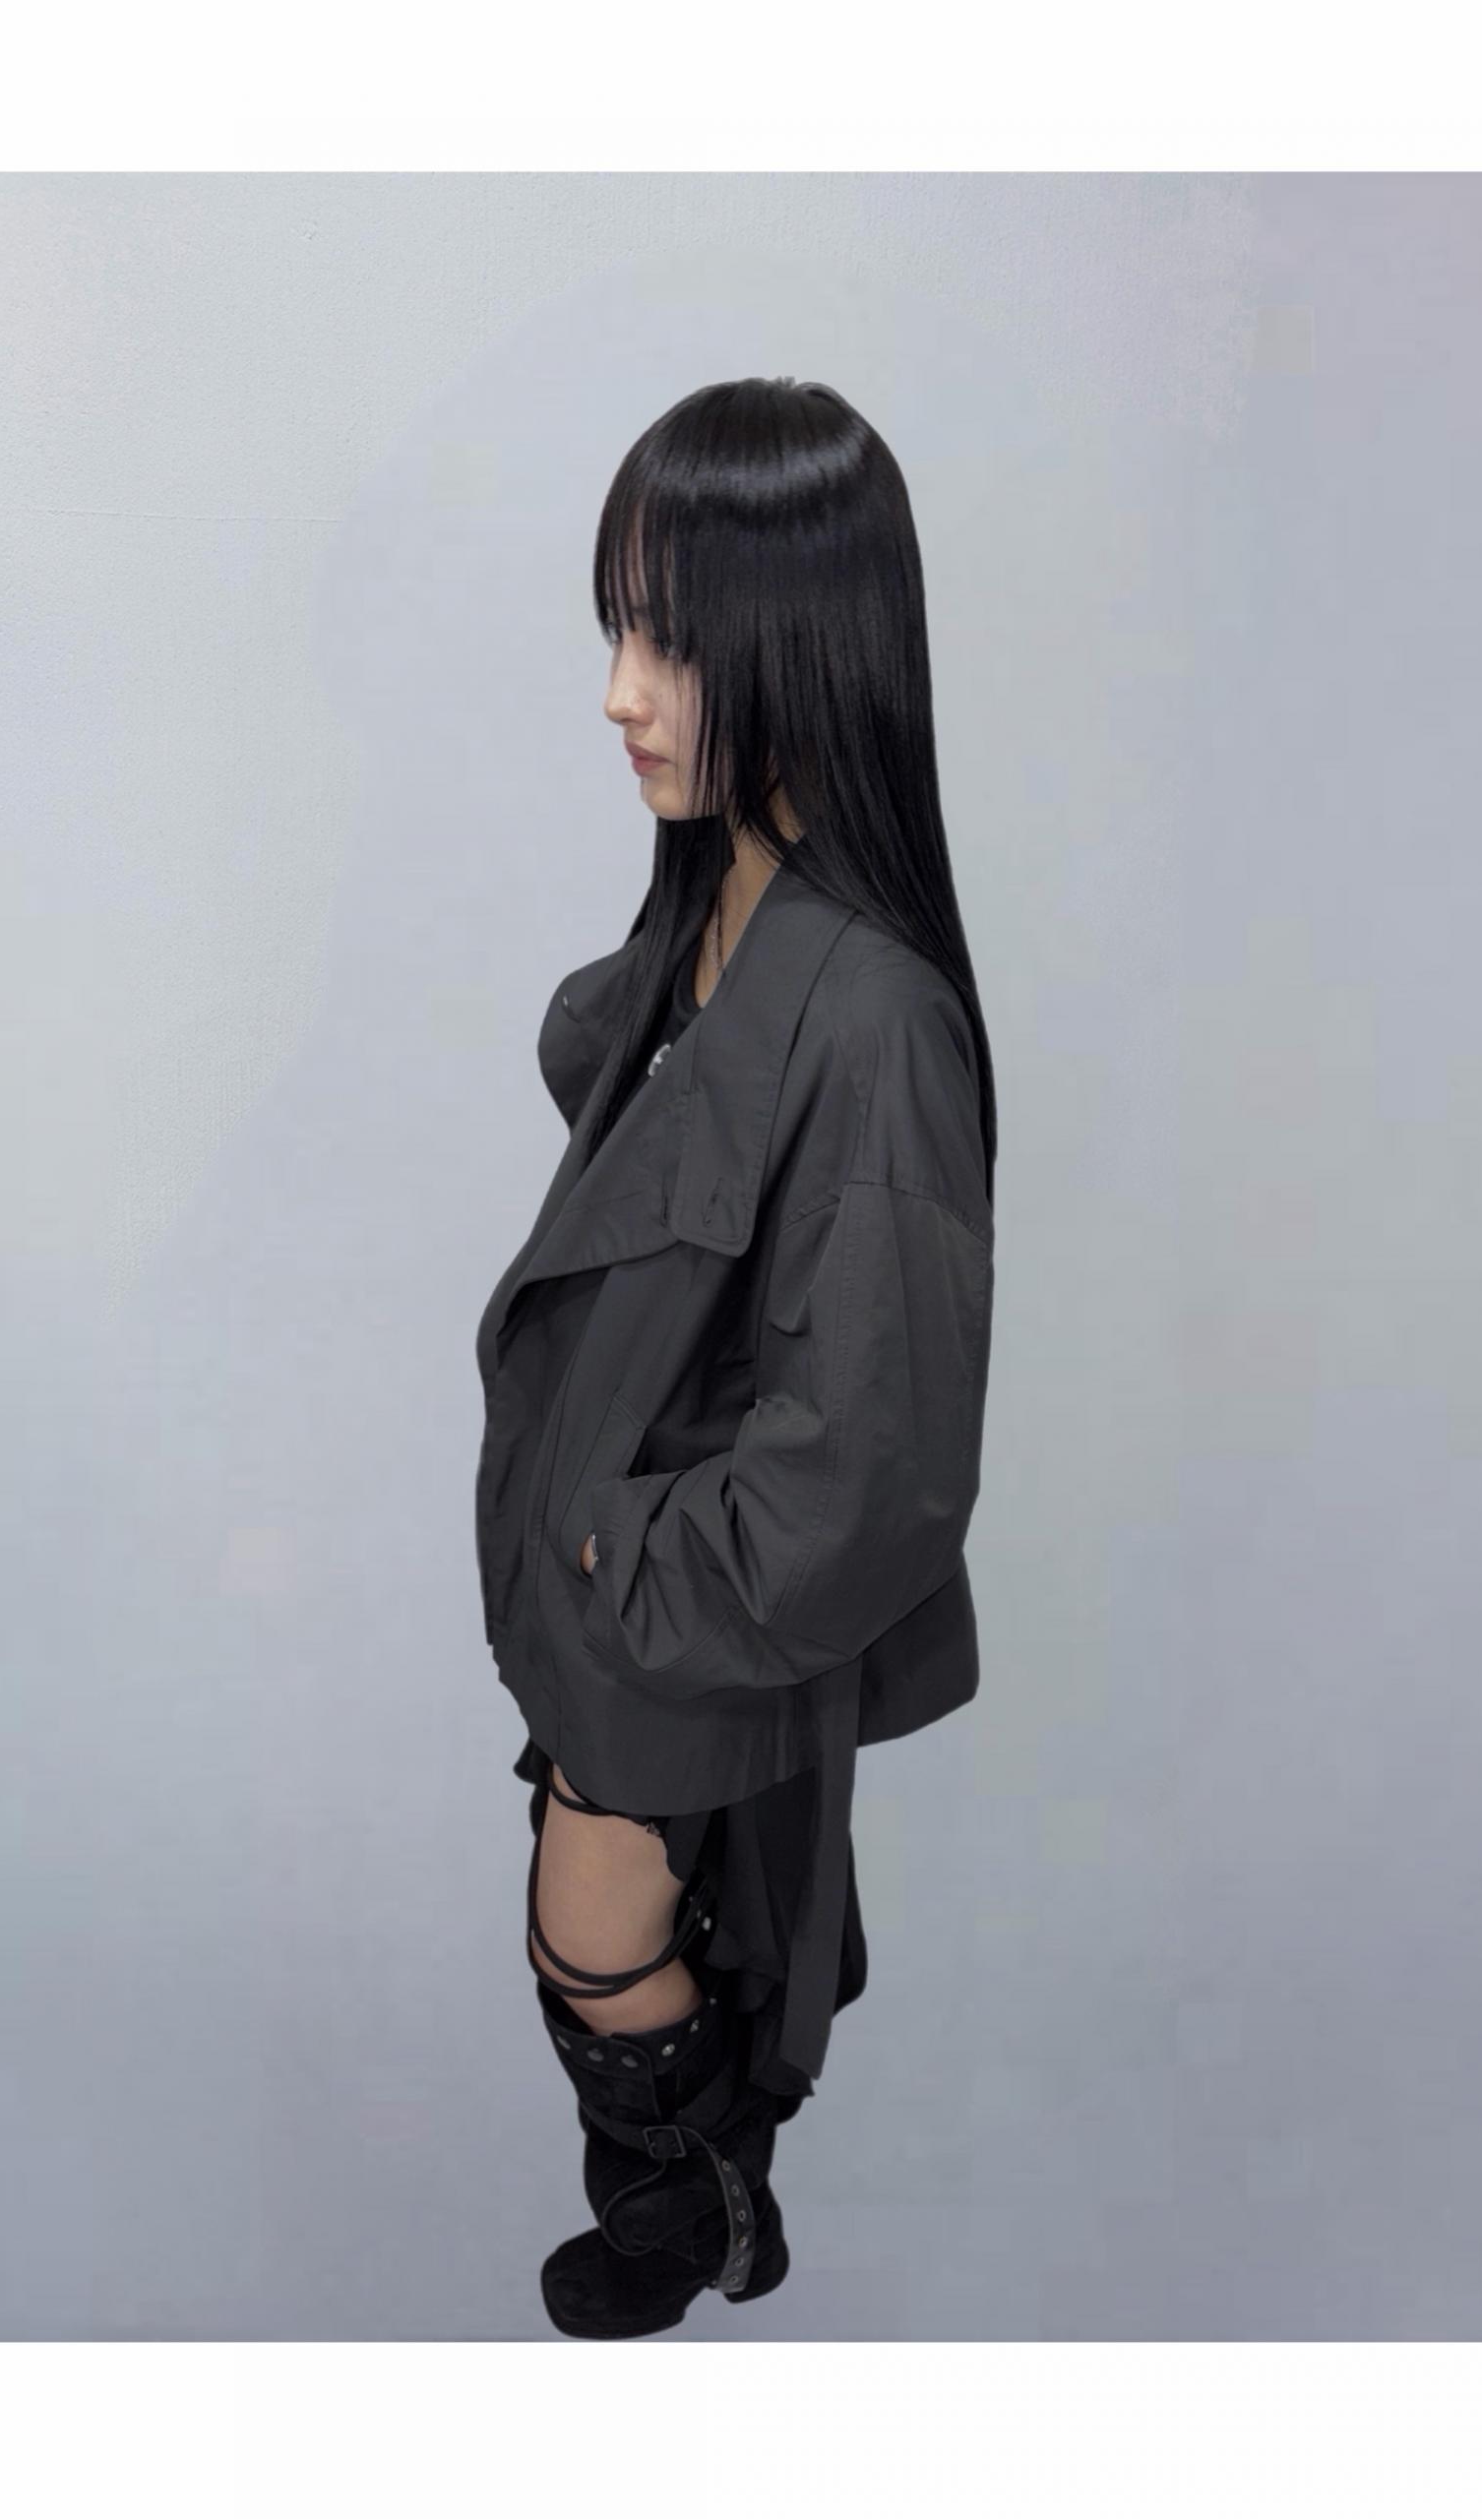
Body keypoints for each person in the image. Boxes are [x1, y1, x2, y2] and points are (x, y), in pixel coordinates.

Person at [472, 375, 998, 2340]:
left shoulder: (874, 1022)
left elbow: (872, 1475)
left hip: (677, 1600)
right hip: (623, 1575)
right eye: (617, 625)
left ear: (805, 644)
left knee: (597, 1926)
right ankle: (688, 2185)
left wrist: (611, 1560)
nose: (622, 692)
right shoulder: (711, 910)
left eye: (672, 640)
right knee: (592, 1906)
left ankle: (704, 2195)